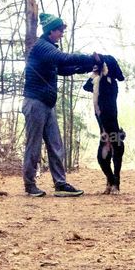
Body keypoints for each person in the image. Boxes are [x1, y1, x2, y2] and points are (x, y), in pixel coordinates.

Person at [22, 12, 101, 197]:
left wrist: (88, 67)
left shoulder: (48, 48)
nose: (62, 33)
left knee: (55, 144)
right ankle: (29, 185)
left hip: (47, 104)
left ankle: (60, 184)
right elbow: (63, 59)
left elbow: (63, 69)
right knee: (33, 145)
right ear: (51, 31)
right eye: (59, 30)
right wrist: (89, 58)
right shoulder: (42, 47)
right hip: (35, 103)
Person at [83, 55, 126, 193]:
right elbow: (86, 86)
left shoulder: (110, 84)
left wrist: (103, 66)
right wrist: (96, 72)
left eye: (98, 65)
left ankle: (116, 184)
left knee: (116, 157)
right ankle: (110, 180)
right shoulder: (97, 81)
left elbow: (116, 77)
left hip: (112, 130)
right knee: (101, 160)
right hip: (103, 132)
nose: (95, 67)